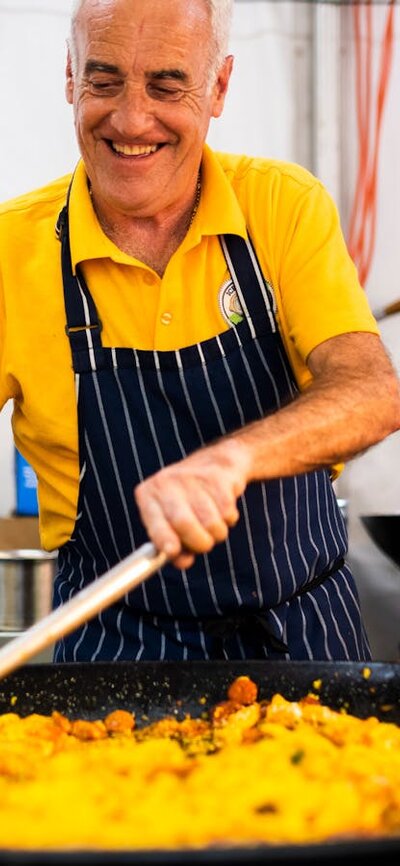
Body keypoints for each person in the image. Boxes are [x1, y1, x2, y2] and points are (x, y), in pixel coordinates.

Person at [0, 0, 399, 663]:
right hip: (114, 641)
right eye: (103, 81)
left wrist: (229, 460)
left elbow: (372, 391)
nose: (131, 119)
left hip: (302, 635)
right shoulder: (13, 249)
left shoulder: (281, 206)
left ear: (218, 86)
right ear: (70, 77)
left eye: (166, 84)